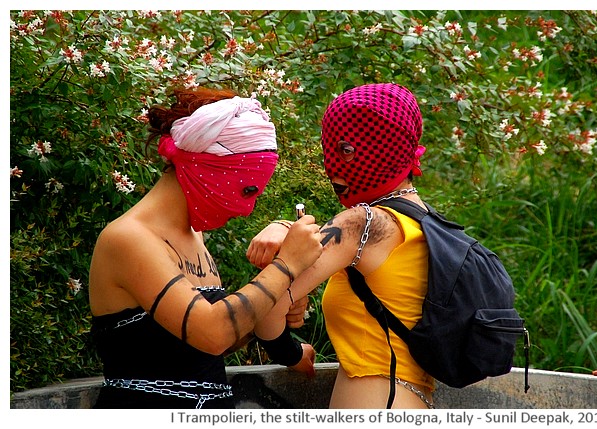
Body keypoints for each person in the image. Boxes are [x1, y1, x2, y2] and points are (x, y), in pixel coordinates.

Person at [89, 87, 323, 409]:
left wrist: (274, 309)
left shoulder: (192, 235)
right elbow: (212, 333)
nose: (247, 209)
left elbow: (205, 345)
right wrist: (286, 266)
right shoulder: (128, 239)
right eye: (247, 189)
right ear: (208, 168)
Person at [247, 83, 434, 409]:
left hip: (374, 404)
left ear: (385, 148)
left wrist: (291, 354)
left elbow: (265, 307)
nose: (332, 165)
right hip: (412, 402)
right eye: (328, 150)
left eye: (346, 150)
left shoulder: (361, 223)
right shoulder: (426, 222)